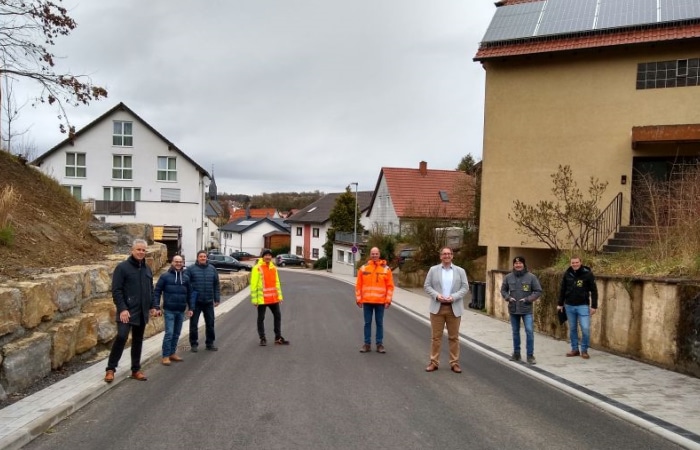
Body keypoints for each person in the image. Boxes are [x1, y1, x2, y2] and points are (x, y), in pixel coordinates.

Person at [104, 239, 156, 382]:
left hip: (141, 312)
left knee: (138, 341)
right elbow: (116, 290)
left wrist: (152, 306)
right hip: (126, 312)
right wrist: (122, 309)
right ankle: (110, 369)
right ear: (132, 250)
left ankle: (136, 370)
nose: (141, 252)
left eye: (143, 250)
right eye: (138, 249)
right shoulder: (122, 268)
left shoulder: (147, 269)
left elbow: (150, 289)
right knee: (121, 337)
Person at [423, 247, 469, 373]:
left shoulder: (460, 271)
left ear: (452, 256)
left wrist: (453, 297)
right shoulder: (433, 270)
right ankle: (434, 362)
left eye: (449, 254)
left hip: (454, 308)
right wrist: (437, 296)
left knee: (454, 337)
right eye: (444, 254)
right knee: (436, 338)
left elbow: (465, 287)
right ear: (440, 256)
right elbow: (427, 286)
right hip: (437, 308)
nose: (447, 256)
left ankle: (454, 363)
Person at [152, 255, 195, 365]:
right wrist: (156, 306)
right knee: (169, 333)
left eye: (180, 262)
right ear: (172, 262)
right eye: (176, 261)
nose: (178, 263)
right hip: (169, 310)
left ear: (183, 263)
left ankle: (172, 353)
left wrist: (191, 308)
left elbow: (190, 294)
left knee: (176, 333)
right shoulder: (165, 276)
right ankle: (165, 356)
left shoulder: (186, 278)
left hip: (181, 311)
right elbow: (157, 292)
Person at [500, 256, 542, 364]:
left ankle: (530, 355)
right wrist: (508, 297)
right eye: (516, 263)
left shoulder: (531, 277)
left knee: (529, 331)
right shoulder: (508, 277)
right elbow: (503, 290)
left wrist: (528, 299)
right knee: (515, 332)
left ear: (524, 264)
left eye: (520, 263)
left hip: (526, 309)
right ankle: (516, 354)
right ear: (513, 265)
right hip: (513, 309)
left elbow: (538, 291)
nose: (518, 265)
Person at [558, 256, 598, 359]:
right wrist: (560, 304)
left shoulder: (587, 274)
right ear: (570, 263)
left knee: (585, 328)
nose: (575, 264)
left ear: (581, 262)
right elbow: (562, 289)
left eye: (576, 262)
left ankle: (584, 350)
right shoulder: (567, 274)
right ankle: (575, 349)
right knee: (572, 329)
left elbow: (594, 291)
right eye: (573, 263)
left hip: (583, 305)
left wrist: (594, 306)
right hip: (569, 305)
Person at [355, 247, 394, 353]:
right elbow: (358, 285)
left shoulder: (386, 269)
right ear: (370, 255)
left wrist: (388, 300)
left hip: (380, 302)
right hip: (367, 301)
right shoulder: (363, 268)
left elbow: (390, 286)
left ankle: (379, 344)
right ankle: (367, 344)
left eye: (376, 253)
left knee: (379, 323)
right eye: (373, 253)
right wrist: (359, 299)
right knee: (367, 323)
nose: (374, 255)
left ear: (379, 254)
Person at [251, 249, 290, 346]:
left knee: (278, 316)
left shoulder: (274, 268)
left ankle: (278, 337)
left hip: (273, 298)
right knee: (261, 318)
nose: (268, 257)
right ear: (262, 256)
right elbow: (253, 285)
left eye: (269, 255)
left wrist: (280, 296)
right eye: (266, 255)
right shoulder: (257, 268)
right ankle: (262, 338)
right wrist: (254, 300)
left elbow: (277, 283)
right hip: (262, 299)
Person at [188, 250, 221, 352]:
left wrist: (217, 298)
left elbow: (216, 285)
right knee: (194, 324)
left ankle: (210, 343)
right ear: (197, 258)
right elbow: (187, 286)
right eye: (201, 256)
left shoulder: (212, 269)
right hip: (196, 302)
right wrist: (189, 301)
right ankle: (194, 344)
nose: (203, 258)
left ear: (207, 258)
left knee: (210, 323)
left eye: (204, 256)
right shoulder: (190, 269)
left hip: (208, 302)